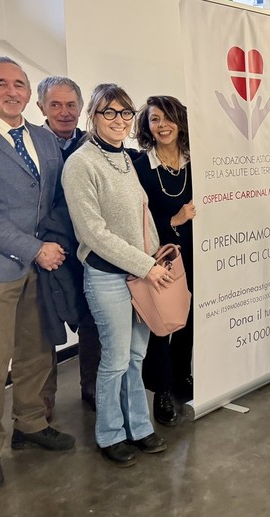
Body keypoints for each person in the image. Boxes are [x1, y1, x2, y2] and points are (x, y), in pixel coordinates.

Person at [0, 56, 75, 491]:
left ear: (31, 93)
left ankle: (30, 425)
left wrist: (53, 245)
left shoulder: (44, 140)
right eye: (1, 83)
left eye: (20, 84)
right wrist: (34, 249)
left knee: (37, 352)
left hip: (41, 268)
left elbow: (52, 201)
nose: (12, 91)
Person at [63, 84, 168, 467]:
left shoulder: (126, 158)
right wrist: (146, 265)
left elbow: (142, 218)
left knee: (137, 356)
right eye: (110, 113)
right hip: (108, 277)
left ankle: (139, 427)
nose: (120, 120)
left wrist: (155, 258)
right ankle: (109, 434)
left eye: (126, 113)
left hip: (141, 274)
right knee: (116, 360)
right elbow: (93, 233)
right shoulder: (81, 163)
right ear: (93, 115)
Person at [36, 76, 101, 416]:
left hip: (86, 250)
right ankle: (41, 406)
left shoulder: (92, 144)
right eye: (55, 105)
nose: (64, 112)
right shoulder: (30, 144)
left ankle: (90, 387)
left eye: (71, 105)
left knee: (91, 319)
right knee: (43, 327)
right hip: (42, 250)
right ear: (41, 107)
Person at [133, 95, 195, 426]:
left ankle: (182, 375)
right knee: (162, 324)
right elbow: (137, 219)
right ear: (147, 125)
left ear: (180, 122)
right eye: (155, 119)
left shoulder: (195, 161)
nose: (162, 125)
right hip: (162, 257)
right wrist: (174, 220)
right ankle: (161, 390)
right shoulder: (141, 167)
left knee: (190, 317)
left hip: (198, 252)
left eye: (168, 118)